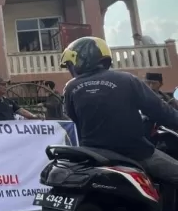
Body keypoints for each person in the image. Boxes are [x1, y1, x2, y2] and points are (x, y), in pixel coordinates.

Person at [61, 36, 178, 195]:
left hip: (92, 153)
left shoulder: (70, 88)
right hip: (134, 152)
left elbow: (73, 117)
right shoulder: (127, 79)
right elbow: (161, 112)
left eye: (70, 64)